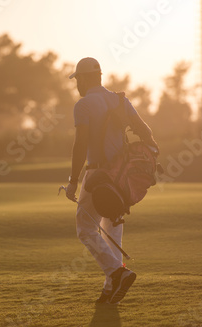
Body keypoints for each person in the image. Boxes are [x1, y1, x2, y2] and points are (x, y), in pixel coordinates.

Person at [65, 57, 158, 304]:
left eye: (77, 80)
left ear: (83, 78)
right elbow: (144, 130)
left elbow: (80, 144)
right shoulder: (119, 100)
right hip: (122, 177)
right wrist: (153, 152)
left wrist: (73, 180)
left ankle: (118, 273)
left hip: (98, 176)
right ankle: (110, 290)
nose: (77, 85)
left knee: (85, 229)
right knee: (111, 234)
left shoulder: (83, 105)